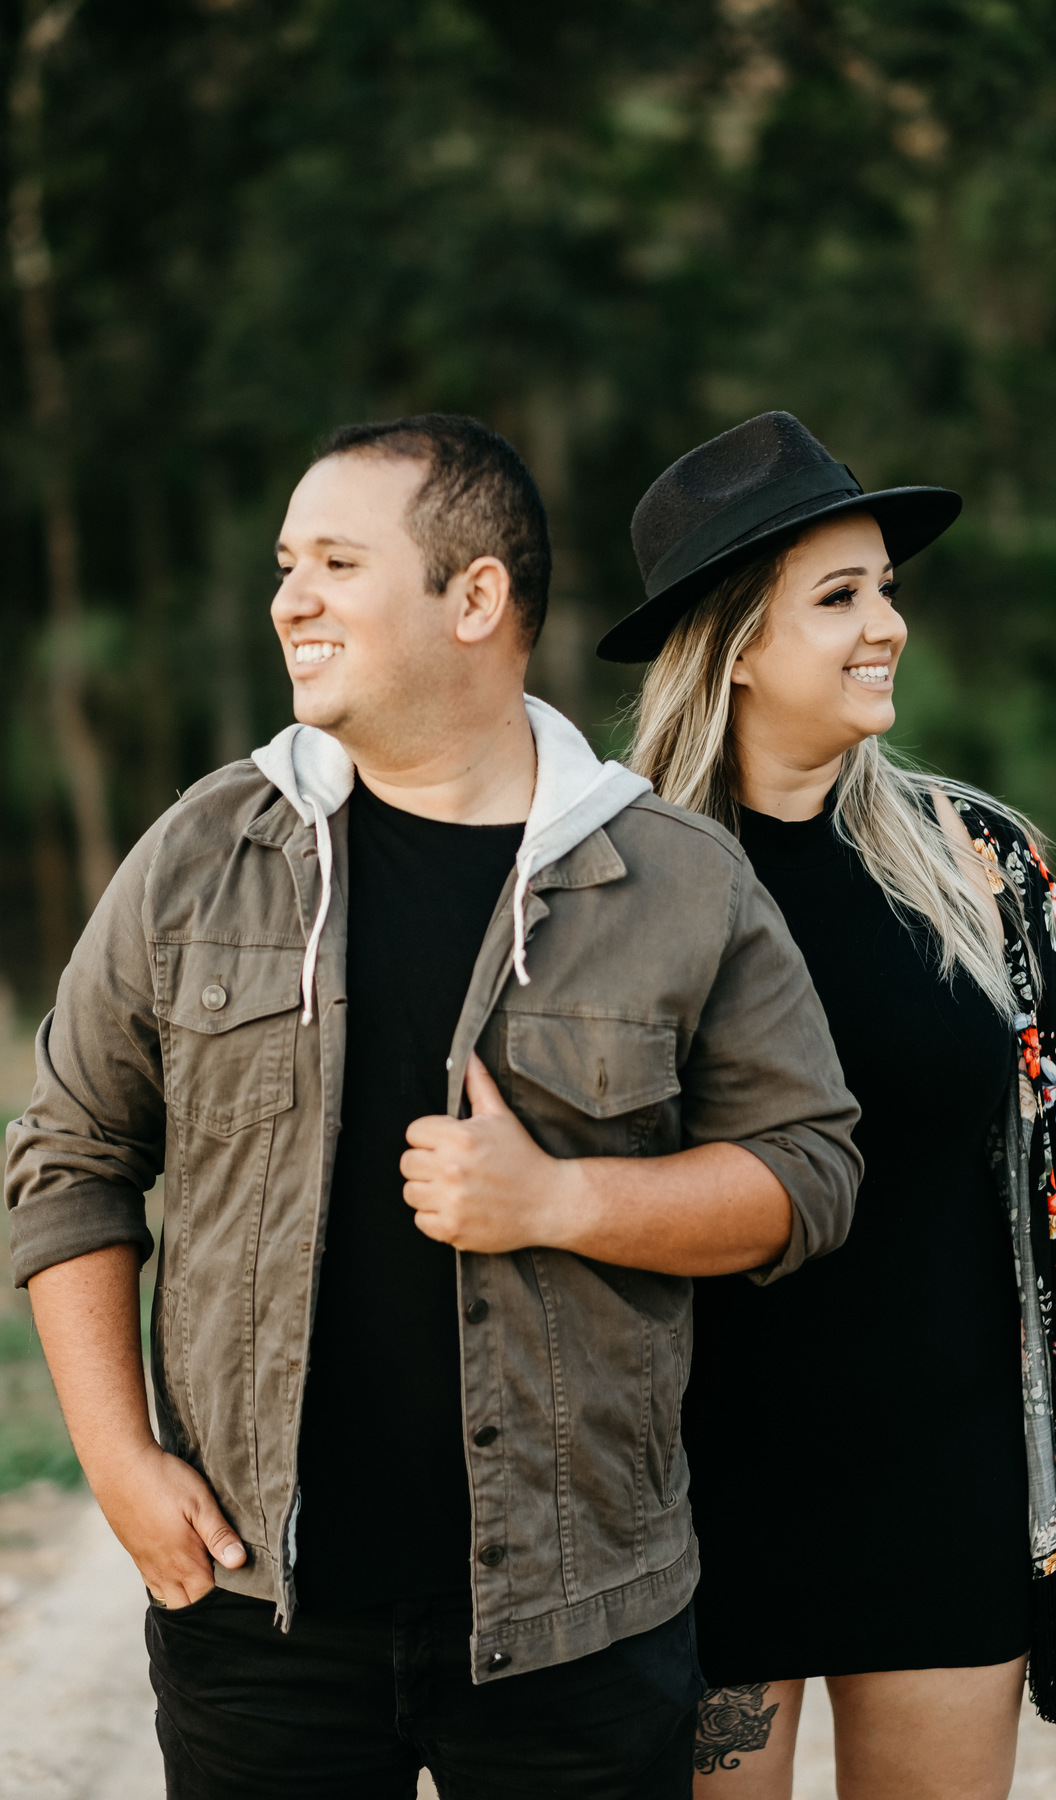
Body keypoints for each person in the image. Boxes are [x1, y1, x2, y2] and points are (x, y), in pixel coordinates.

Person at [5, 414, 863, 1800]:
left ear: (476, 599)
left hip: (582, 1625)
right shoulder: (201, 857)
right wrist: (116, 1461)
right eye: (288, 563)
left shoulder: (678, 878)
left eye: (337, 562)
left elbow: (812, 1169)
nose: (290, 597)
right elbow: (68, 1157)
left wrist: (564, 1199)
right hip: (256, 1617)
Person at [599, 411, 1056, 1800]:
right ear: (738, 640)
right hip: (691, 1506)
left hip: (945, 1484)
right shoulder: (617, 884)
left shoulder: (975, 866)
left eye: (889, 591)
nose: (889, 627)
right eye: (841, 596)